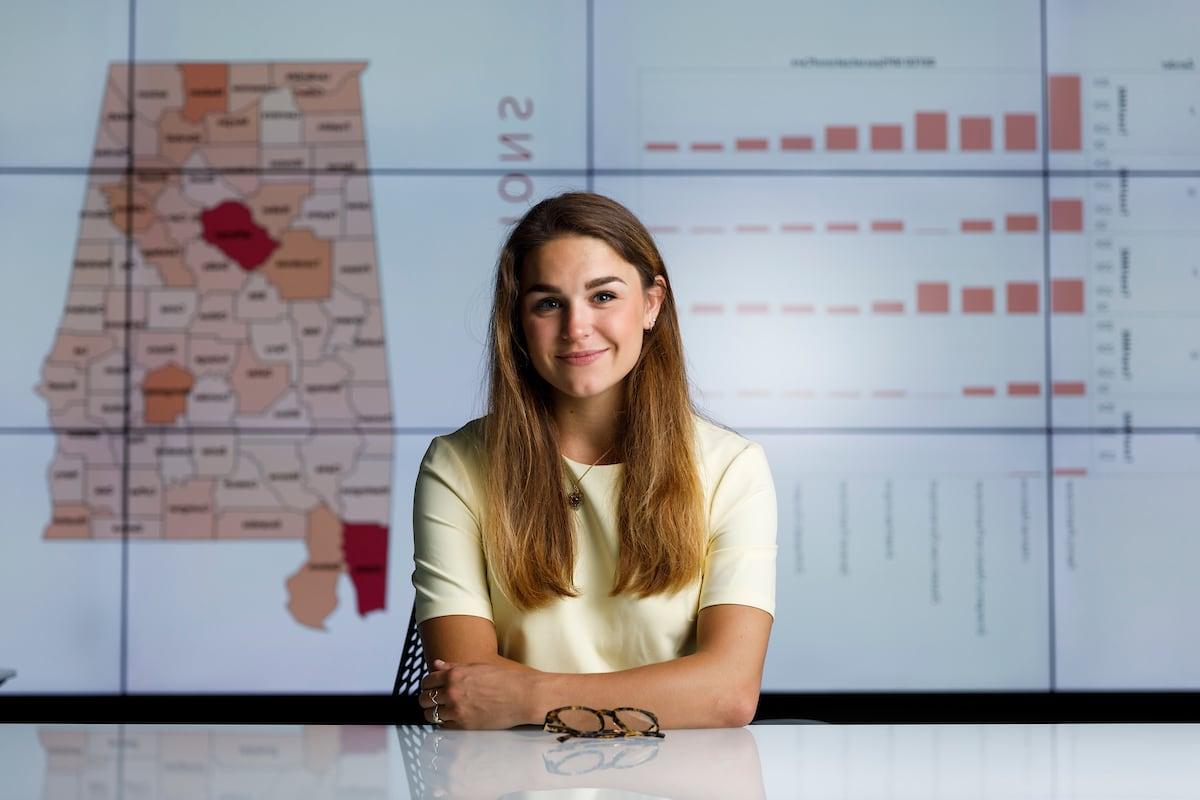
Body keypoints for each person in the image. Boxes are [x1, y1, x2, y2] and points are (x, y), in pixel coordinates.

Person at [412, 191, 777, 730]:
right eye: (548, 303)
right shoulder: (457, 466)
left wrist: (530, 695)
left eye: (603, 296)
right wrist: (669, 697)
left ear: (651, 304)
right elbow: (468, 693)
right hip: (512, 781)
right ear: (518, 322)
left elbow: (727, 694)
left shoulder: (732, 468)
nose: (576, 328)